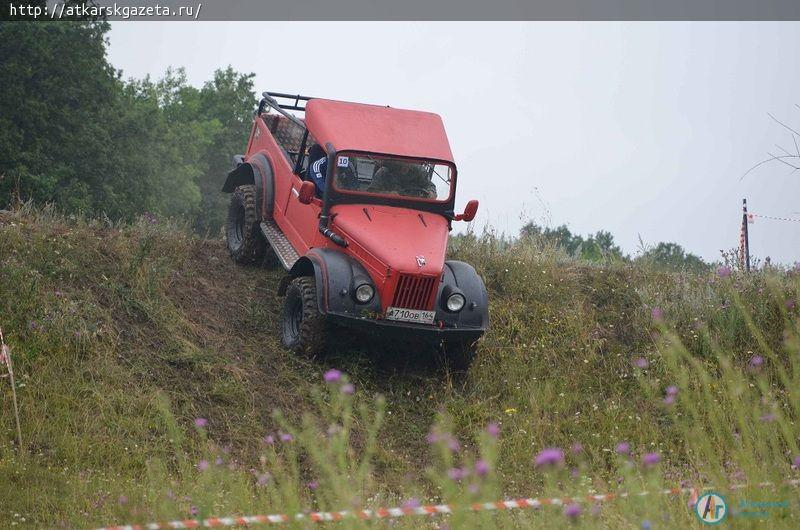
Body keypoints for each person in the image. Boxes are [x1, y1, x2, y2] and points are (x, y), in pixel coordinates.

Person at [368, 160, 437, 198]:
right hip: (388, 205)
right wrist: (387, 194)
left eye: (406, 162)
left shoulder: (419, 171)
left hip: (414, 207)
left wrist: (431, 193)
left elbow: (430, 186)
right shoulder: (384, 172)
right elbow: (371, 192)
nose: (404, 166)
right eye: (400, 164)